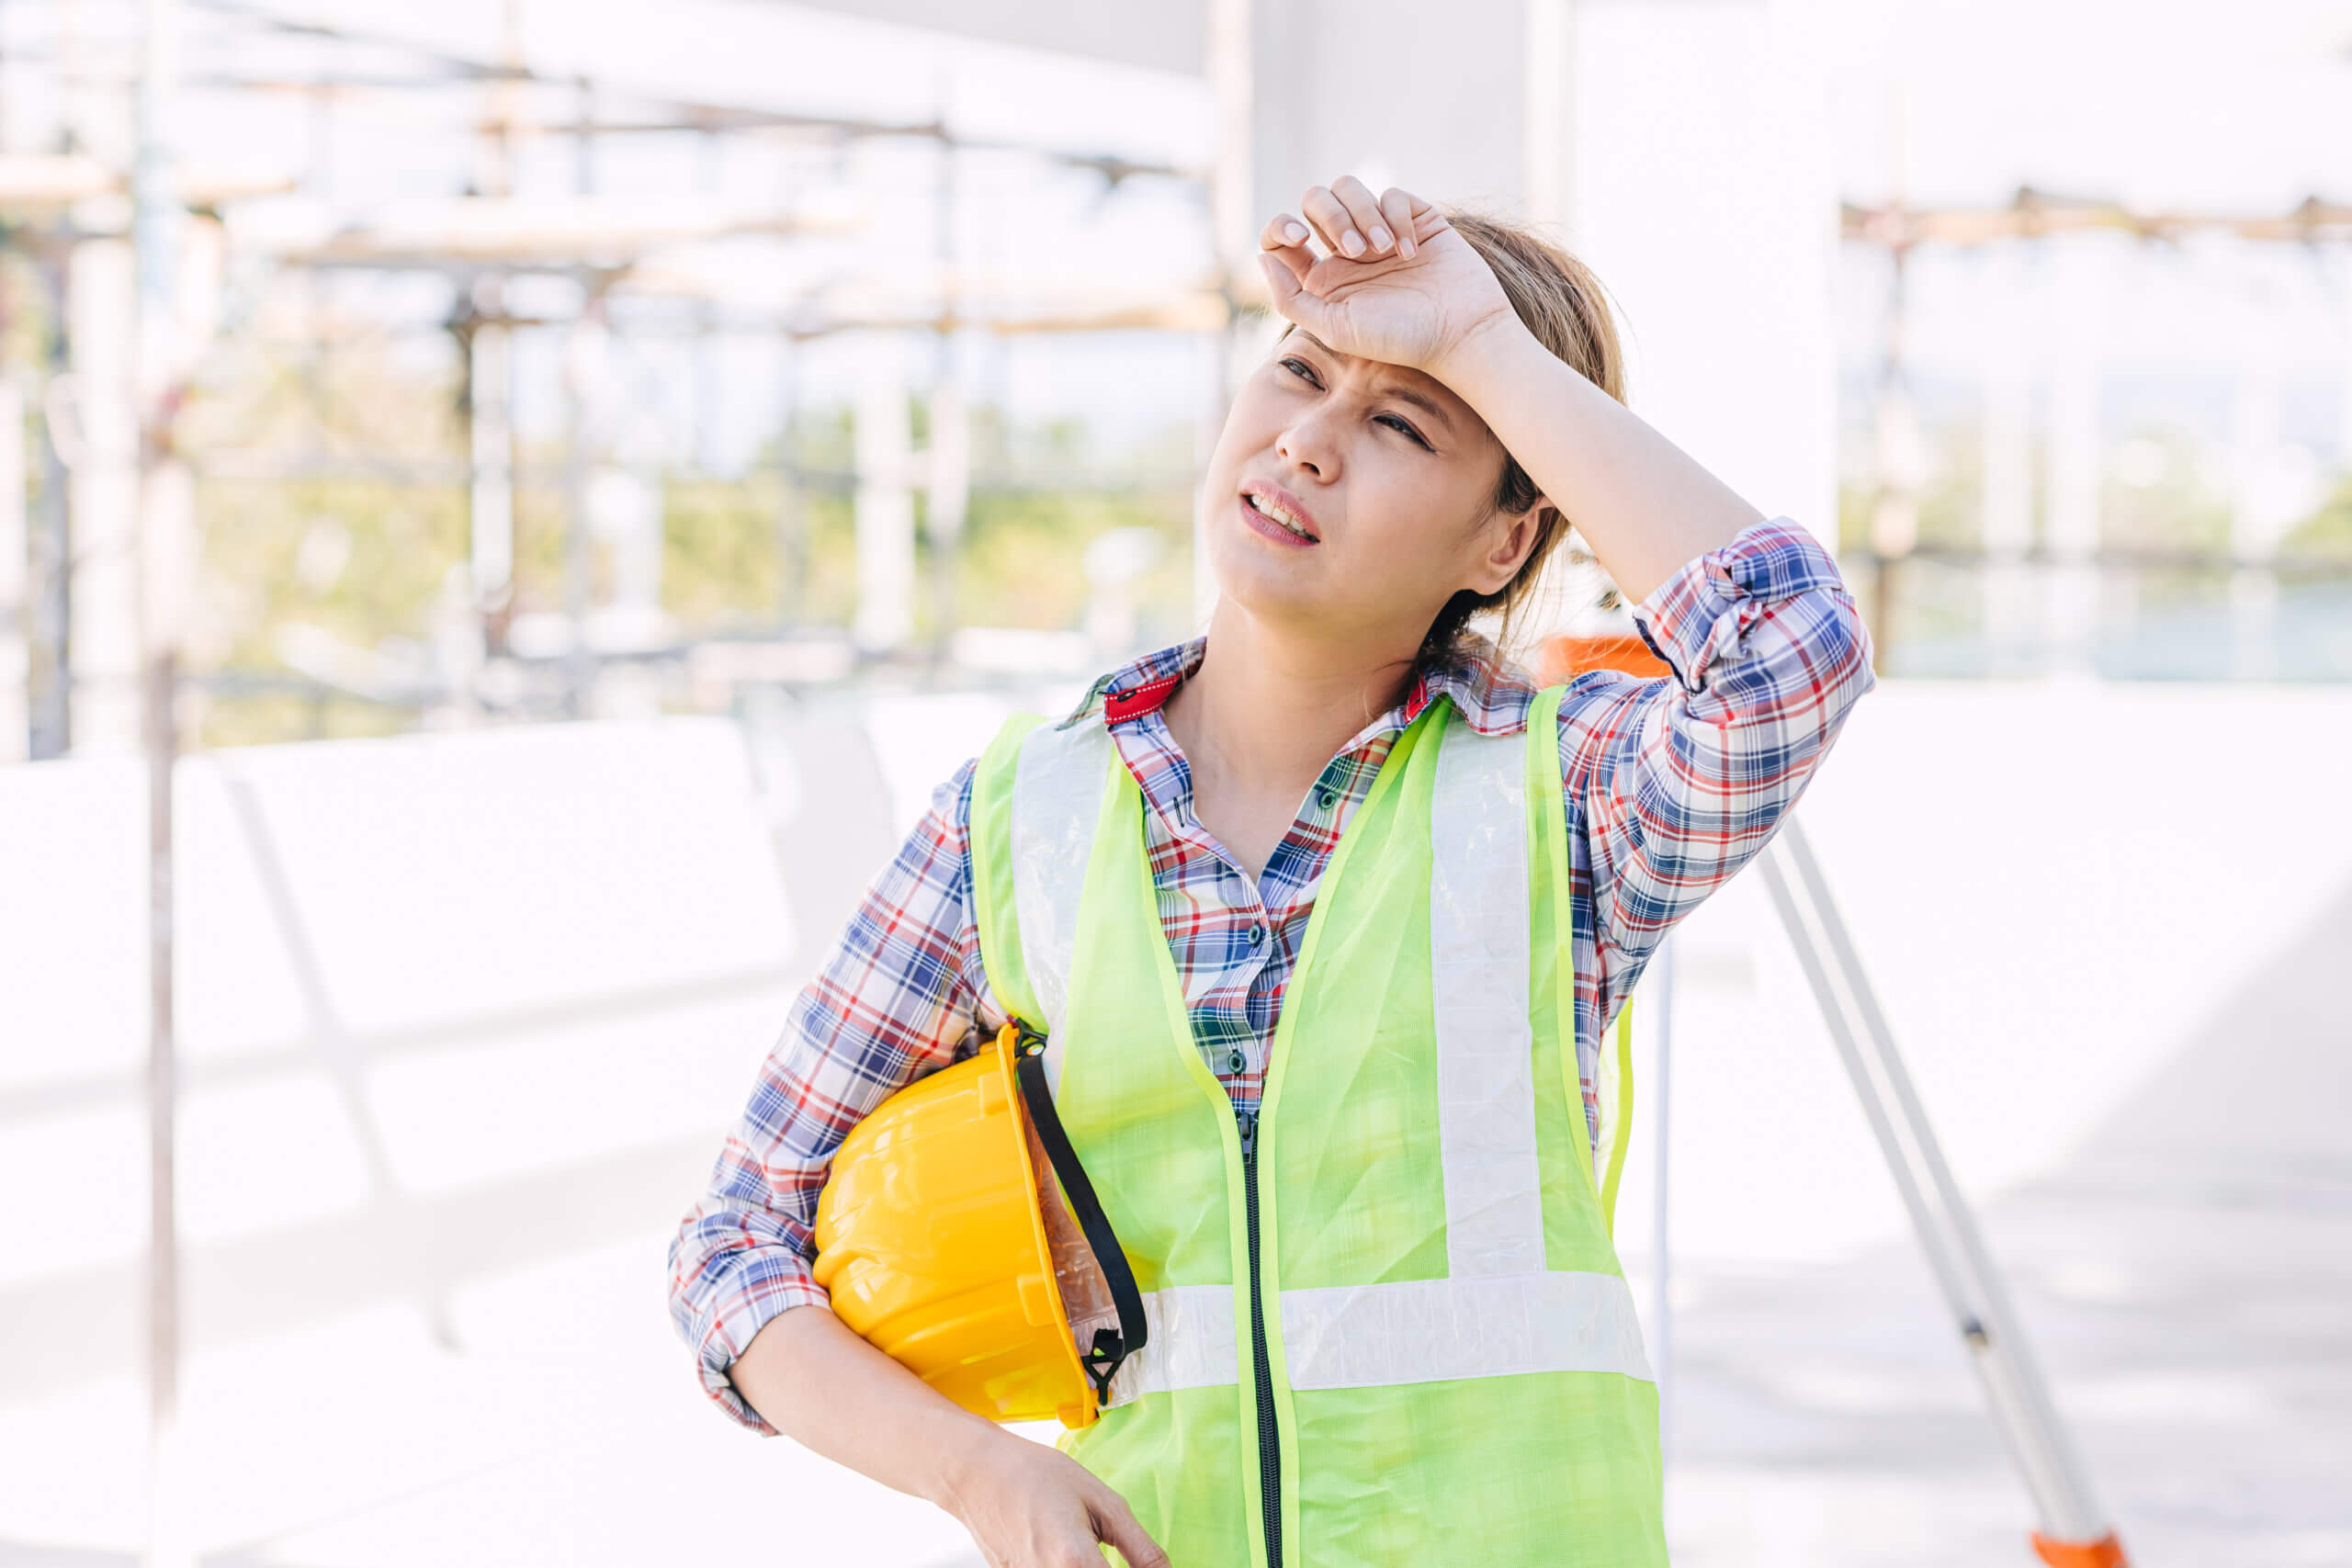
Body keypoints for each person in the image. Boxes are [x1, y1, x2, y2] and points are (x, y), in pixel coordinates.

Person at [668, 175, 1877, 1567]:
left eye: (1401, 422)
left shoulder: (1567, 799)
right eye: (1299, 372)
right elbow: (736, 1245)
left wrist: (1481, 343)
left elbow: (1790, 652)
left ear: (1505, 542)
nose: (1307, 442)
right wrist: (977, 1473)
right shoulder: (1015, 825)